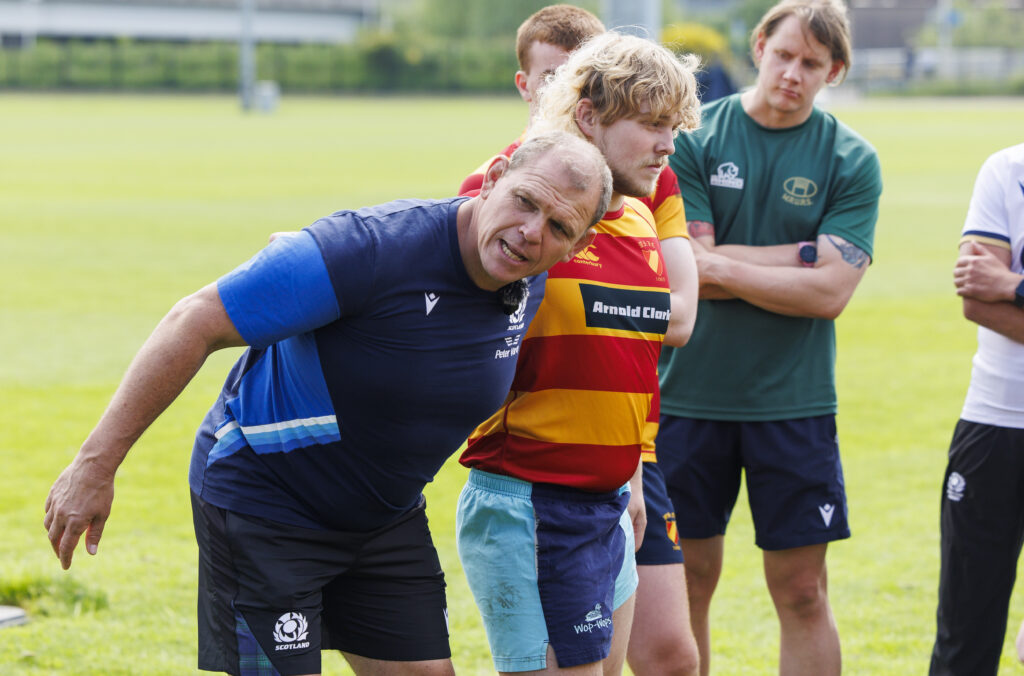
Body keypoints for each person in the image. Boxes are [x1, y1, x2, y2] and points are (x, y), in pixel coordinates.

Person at [42, 131, 612, 676]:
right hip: (267, 503)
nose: (531, 231)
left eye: (558, 226)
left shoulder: (526, 277)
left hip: (383, 517)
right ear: (492, 179)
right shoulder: (370, 248)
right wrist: (95, 465)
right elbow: (193, 320)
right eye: (524, 201)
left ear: (579, 245)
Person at [461, 8, 702, 673]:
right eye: (653, 124)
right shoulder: (518, 199)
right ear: (589, 116)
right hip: (530, 495)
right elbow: (440, 306)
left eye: (674, 127)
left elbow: (630, 357)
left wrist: (631, 472)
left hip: (610, 497)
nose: (668, 146)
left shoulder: (637, 217)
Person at [656, 1, 882, 674]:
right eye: (783, 55)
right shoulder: (693, 139)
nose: (792, 73)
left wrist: (721, 263)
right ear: (759, 46)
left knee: (803, 590)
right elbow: (687, 272)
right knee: (688, 580)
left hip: (795, 403)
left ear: (833, 71)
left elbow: (831, 294)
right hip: (689, 396)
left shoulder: (850, 158)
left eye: (812, 63)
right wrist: (802, 257)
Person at [930, 142, 1024, 676]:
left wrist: (1013, 285)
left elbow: (998, 291)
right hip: (994, 424)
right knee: (964, 638)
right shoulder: (1008, 169)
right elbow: (977, 301)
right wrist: (999, 293)